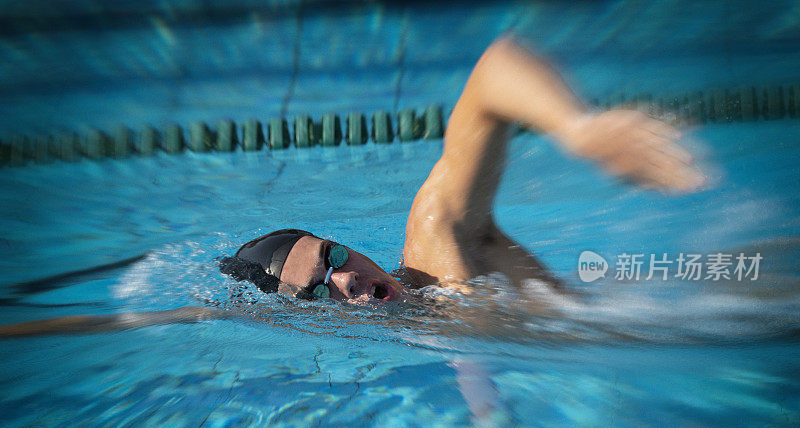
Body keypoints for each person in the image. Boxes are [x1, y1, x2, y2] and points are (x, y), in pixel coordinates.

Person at [0, 37, 703, 337]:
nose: (346, 284)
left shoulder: (437, 242)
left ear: (349, 248)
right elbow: (178, 321)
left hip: (685, 304)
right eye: (315, 292)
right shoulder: (403, 328)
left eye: (334, 259)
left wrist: (577, 129)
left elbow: (494, 69)